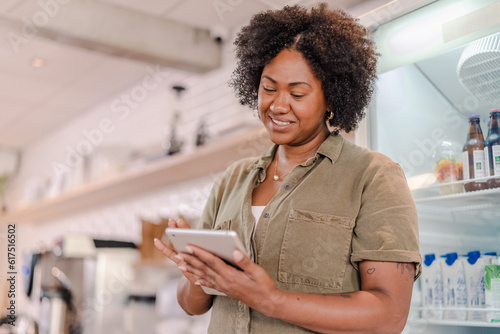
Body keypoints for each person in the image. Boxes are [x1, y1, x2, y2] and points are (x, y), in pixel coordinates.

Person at [155, 3, 421, 333]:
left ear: (332, 98)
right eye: (269, 88)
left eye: (297, 93)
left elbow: (388, 315)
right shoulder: (234, 179)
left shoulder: (373, 177)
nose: (277, 105)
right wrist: (197, 273)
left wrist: (271, 299)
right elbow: (193, 305)